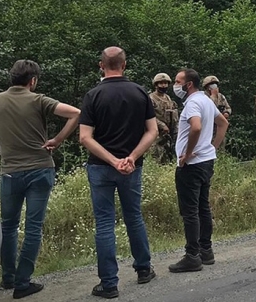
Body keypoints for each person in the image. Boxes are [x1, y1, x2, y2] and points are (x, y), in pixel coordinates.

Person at [0, 60, 80, 299]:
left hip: (10, 171)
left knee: (8, 226)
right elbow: (75, 113)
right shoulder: (39, 100)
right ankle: (23, 283)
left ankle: (8, 277)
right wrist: (57, 140)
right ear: (33, 81)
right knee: (33, 227)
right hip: (40, 169)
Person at [79, 47, 158, 299]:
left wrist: (113, 161)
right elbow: (152, 131)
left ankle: (109, 283)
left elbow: (85, 137)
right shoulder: (139, 92)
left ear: (101, 65)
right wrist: (131, 158)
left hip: (101, 167)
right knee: (133, 216)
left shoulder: (93, 95)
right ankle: (144, 269)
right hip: (132, 167)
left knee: (104, 223)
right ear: (124, 65)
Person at [168, 69, 229, 273]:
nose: (174, 85)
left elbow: (195, 127)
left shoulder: (193, 103)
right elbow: (223, 123)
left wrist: (188, 153)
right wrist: (212, 147)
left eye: (178, 81)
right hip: (206, 161)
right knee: (203, 207)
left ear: (189, 85)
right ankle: (206, 250)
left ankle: (192, 255)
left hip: (192, 165)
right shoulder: (206, 101)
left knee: (190, 210)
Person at [149, 73, 179, 164]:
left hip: (168, 133)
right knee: (155, 156)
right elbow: (149, 116)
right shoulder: (151, 98)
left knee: (167, 158)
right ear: (156, 84)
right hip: (156, 133)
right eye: (161, 83)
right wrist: (162, 125)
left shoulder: (168, 98)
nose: (164, 85)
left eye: (165, 83)